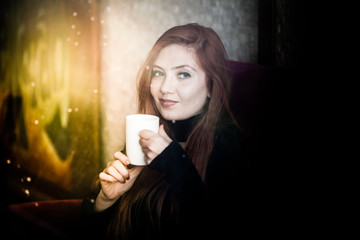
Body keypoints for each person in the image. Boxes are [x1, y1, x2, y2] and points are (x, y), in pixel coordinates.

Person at [81, 23, 251, 240]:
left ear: (211, 86)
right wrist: (106, 200)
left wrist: (173, 160)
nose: (165, 88)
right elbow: (88, 231)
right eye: (158, 73)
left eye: (183, 75)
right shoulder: (152, 129)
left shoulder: (229, 143)